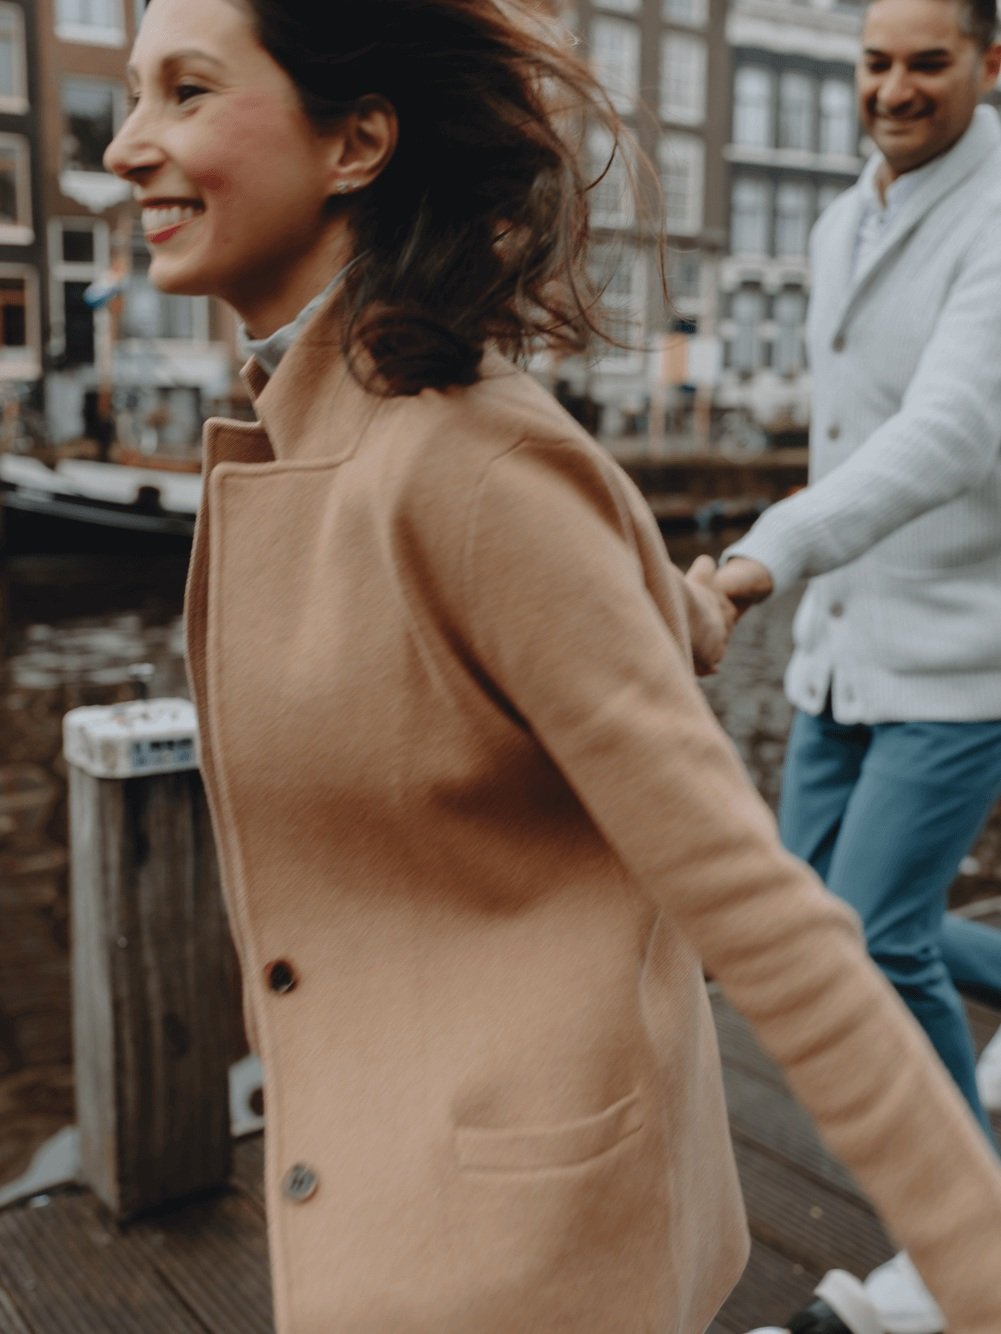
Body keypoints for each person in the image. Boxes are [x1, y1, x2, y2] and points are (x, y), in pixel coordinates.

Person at [105, 1, 1001, 1330]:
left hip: (508, 1255)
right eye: (131, 93)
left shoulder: (465, 459)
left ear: (355, 142)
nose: (127, 145)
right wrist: (674, 616)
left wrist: (978, 1266)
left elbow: (761, 918)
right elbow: (551, 610)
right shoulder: (322, 421)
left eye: (185, 91)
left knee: (863, 929)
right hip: (381, 1189)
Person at [717, 0, 1001, 1328]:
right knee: (805, 899)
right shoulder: (847, 215)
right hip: (843, 643)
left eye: (925, 62)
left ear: (989, 65)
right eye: (874, 62)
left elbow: (949, 427)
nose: (892, 88)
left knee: (879, 937)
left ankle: (972, 1229)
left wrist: (761, 553)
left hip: (961, 647)